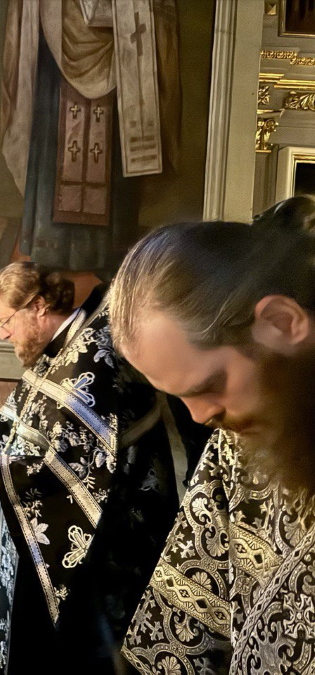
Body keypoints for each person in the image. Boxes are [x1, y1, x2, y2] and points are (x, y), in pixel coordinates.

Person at [109, 202, 315, 674]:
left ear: (282, 322)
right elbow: (179, 633)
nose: (201, 416)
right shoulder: (235, 445)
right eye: (180, 398)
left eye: (210, 385)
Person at [0, 262, 179, 674]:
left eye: (5, 321)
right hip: (48, 532)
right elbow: (21, 409)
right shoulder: (58, 347)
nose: (2, 333)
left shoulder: (90, 357)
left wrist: (0, 472)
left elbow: (84, 463)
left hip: (100, 541)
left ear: (39, 306)